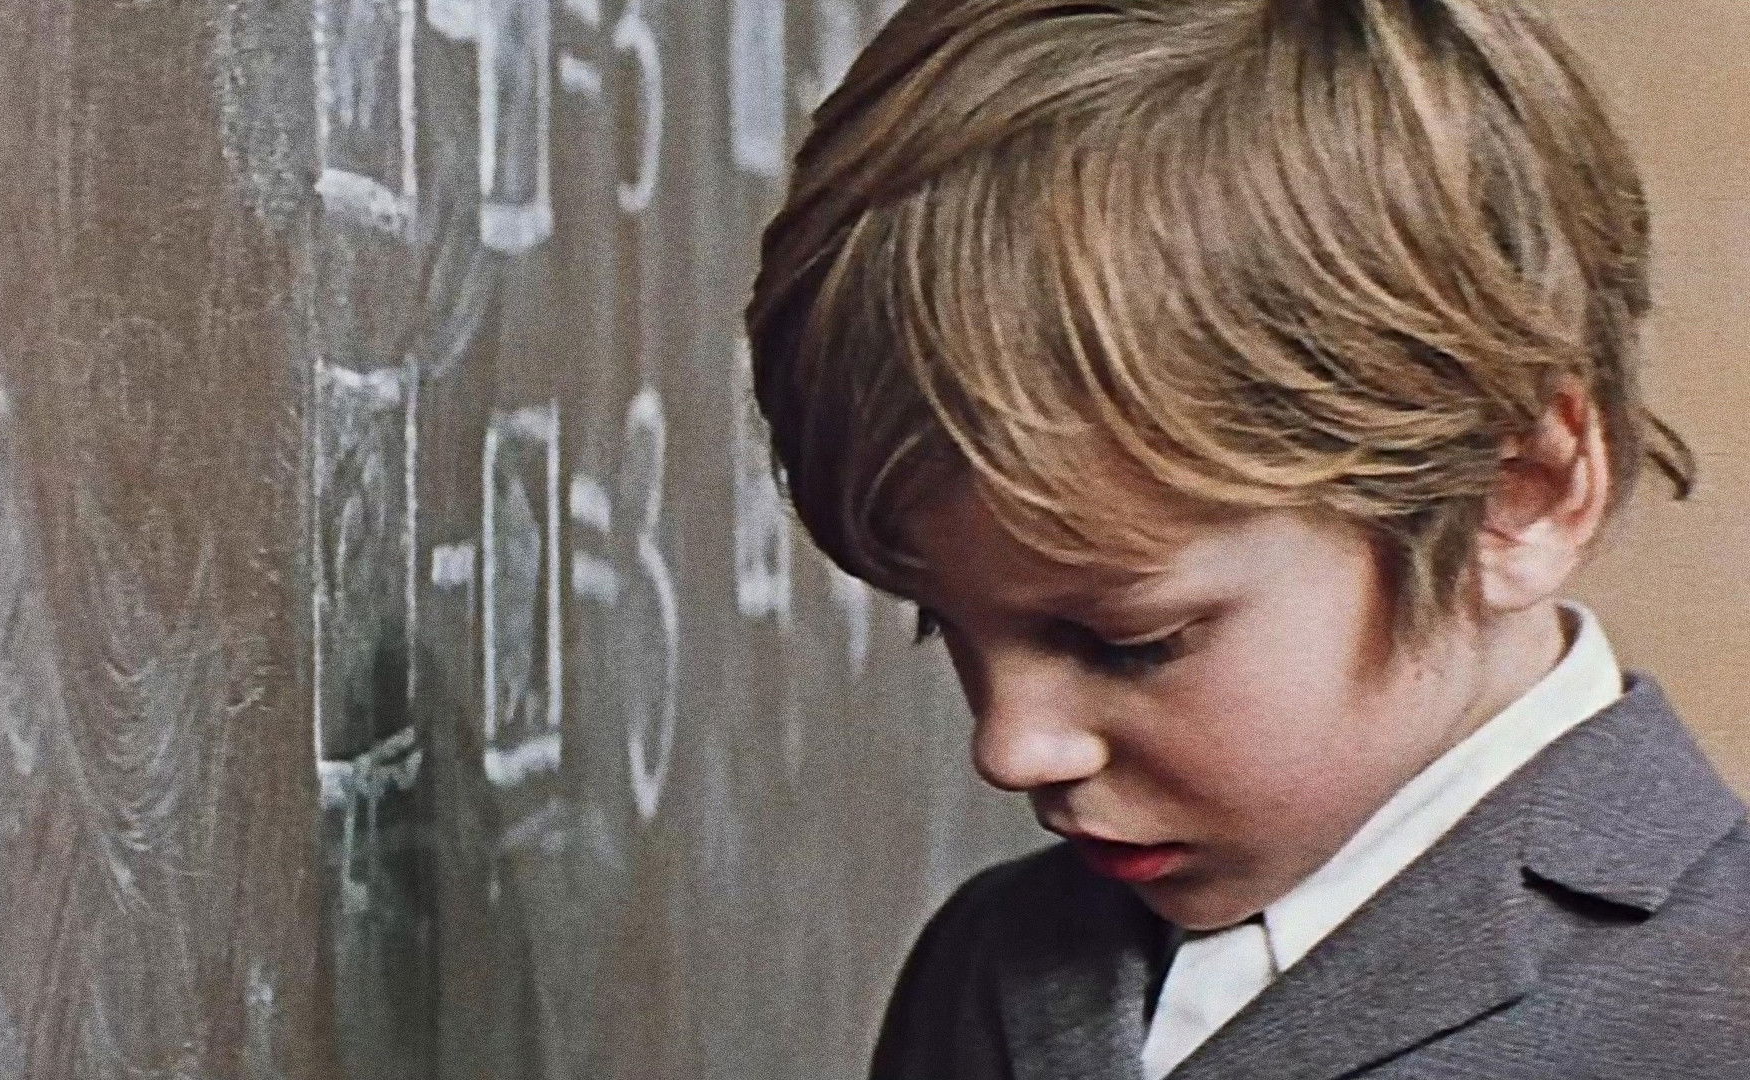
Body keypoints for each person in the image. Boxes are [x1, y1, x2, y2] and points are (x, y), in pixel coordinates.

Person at [744, 0, 1750, 1076]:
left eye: (1130, 641)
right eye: (942, 626)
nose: (1011, 748)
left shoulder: (1716, 1006)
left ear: (1515, 498)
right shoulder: (987, 959)